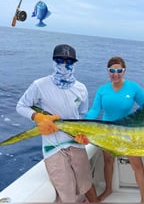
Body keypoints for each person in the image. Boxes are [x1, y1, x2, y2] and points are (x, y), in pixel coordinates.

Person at [16, 44, 98, 203]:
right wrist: (37, 117)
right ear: (54, 61)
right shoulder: (40, 85)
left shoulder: (81, 88)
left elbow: (81, 115)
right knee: (66, 193)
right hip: (53, 148)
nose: (65, 64)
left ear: (74, 64)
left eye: (69, 61)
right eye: (60, 60)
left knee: (86, 183)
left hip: (76, 144)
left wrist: (83, 135)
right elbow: (21, 106)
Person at [79, 56, 144, 203]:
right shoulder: (102, 90)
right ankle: (108, 189)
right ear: (107, 71)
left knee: (137, 166)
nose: (115, 74)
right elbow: (94, 111)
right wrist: (82, 123)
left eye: (119, 70)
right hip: (107, 132)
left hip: (128, 132)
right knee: (108, 161)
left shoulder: (133, 87)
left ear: (124, 71)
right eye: (112, 70)